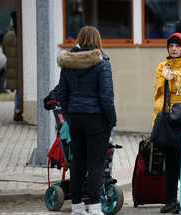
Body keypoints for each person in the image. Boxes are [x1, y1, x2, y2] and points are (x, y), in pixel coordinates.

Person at [57, 26, 116, 215]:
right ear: (97, 40)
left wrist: (68, 115)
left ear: (80, 40)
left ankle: (76, 207)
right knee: (96, 164)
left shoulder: (68, 63)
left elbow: (62, 94)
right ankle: (95, 206)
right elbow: (106, 97)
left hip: (75, 118)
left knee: (78, 163)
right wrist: (112, 120)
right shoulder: (102, 63)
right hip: (97, 120)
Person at [152, 32, 181, 214]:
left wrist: (175, 76)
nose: (174, 49)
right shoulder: (162, 66)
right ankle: (170, 200)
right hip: (168, 120)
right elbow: (158, 90)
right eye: (171, 46)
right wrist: (166, 77)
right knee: (170, 164)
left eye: (177, 46)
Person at [2, 11, 23, 121]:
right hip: (19, 65)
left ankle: (17, 110)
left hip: (11, 65)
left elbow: (4, 51)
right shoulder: (20, 33)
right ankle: (18, 110)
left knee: (18, 90)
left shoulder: (7, 35)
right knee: (21, 89)